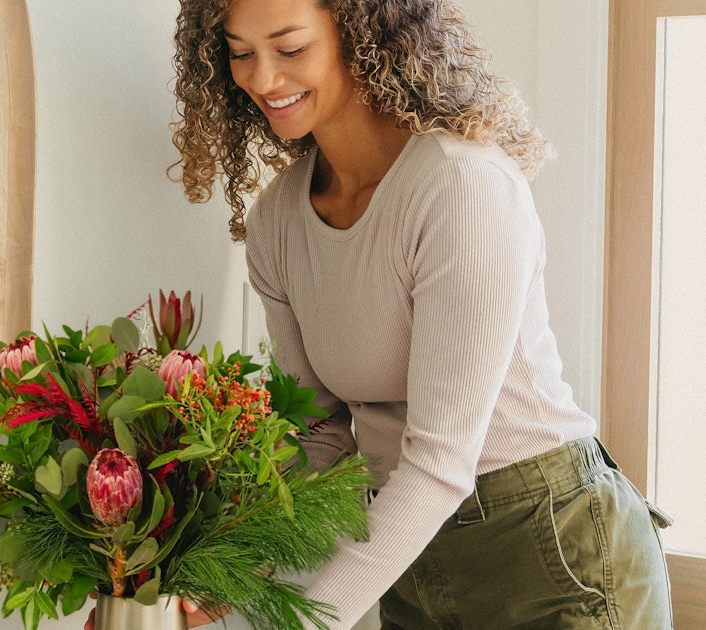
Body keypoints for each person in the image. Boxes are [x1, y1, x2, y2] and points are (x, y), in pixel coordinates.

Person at [163, 0, 674, 628]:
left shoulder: (460, 186)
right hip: (406, 553)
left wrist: (298, 622)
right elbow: (320, 436)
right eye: (241, 53)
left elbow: (438, 464)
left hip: (550, 553)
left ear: (359, 33)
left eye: (290, 49)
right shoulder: (276, 221)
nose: (263, 79)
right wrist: (244, 568)